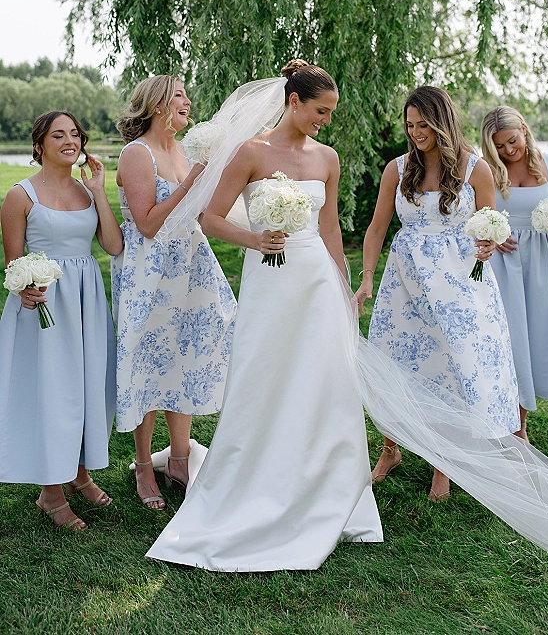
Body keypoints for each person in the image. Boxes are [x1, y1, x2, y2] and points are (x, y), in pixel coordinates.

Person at [146, 60, 383, 571]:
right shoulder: (250, 152)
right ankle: (251, 483)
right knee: (262, 375)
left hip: (315, 279)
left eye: (331, 113)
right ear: (293, 101)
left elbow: (330, 227)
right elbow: (209, 217)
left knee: (324, 382)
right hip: (268, 281)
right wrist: (254, 238)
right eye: (320, 111)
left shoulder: (328, 158)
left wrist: (343, 285)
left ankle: (328, 489)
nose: (326, 120)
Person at [355, 86, 519, 501]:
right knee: (398, 363)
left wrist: (489, 244)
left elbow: (491, 227)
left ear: (442, 121)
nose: (415, 133)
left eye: (423, 124)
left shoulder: (475, 170)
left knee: (449, 369)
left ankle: (441, 464)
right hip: (406, 283)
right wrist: (368, 278)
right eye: (410, 126)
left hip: (459, 285)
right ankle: (390, 449)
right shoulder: (398, 168)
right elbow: (376, 228)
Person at [112, 75, 236, 510]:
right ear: (157, 104)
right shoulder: (136, 153)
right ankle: (144, 466)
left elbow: (202, 214)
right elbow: (147, 223)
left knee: (183, 357)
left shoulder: (184, 151)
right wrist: (194, 179)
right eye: (179, 95)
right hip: (150, 274)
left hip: (189, 267)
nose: (187, 101)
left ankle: (180, 460)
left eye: (186, 95)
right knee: (148, 362)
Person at [0, 111, 122, 531]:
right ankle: (49, 493)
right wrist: (25, 290)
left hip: (86, 301)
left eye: (75, 134)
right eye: (59, 135)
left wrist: (100, 192)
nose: (70, 140)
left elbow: (112, 244)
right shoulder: (20, 196)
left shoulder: (87, 193)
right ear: (39, 146)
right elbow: (13, 262)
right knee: (54, 392)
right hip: (44, 308)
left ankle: (78, 473)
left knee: (88, 386)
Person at [481, 105, 548, 440]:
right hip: (502, 263)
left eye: (512, 141)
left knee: (534, 336)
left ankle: (520, 425)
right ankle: (501, 416)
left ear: (524, 128)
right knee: (506, 339)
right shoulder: (486, 170)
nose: (508, 151)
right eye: (499, 146)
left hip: (543, 264)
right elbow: (472, 214)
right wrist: (494, 230)